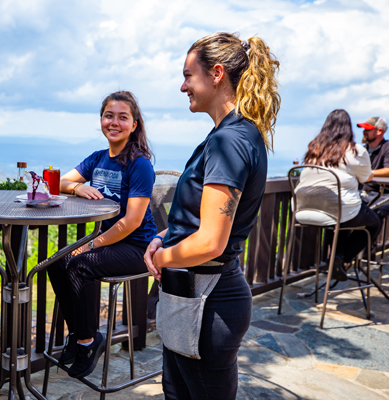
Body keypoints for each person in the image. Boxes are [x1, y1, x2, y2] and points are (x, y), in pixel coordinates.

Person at [144, 32, 280, 399]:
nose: (183, 85)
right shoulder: (233, 134)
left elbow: (210, 241)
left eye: (188, 75)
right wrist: (162, 237)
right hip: (197, 299)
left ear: (216, 73)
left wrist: (161, 258)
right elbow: (197, 218)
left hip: (208, 302)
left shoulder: (228, 141)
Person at [48, 91, 157, 379]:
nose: (114, 122)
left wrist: (91, 246)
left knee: (80, 264)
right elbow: (60, 182)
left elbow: (132, 221)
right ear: (101, 120)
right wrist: (77, 188)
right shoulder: (97, 159)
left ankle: (86, 341)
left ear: (134, 125)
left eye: (123, 117)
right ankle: (83, 335)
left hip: (138, 248)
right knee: (56, 262)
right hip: (109, 244)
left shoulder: (139, 164)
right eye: (109, 116)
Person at [296, 110, 380, 280]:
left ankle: (336, 260)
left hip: (303, 210)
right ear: (348, 128)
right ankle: (341, 260)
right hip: (338, 209)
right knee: (374, 224)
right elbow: (366, 176)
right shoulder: (355, 150)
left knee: (341, 219)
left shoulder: (314, 147)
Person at [358, 116, 389, 217]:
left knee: (374, 212)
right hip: (362, 193)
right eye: (364, 129)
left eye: (368, 129)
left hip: (382, 195)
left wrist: (368, 173)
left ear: (379, 131)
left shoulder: (387, 147)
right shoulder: (362, 150)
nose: (364, 132)